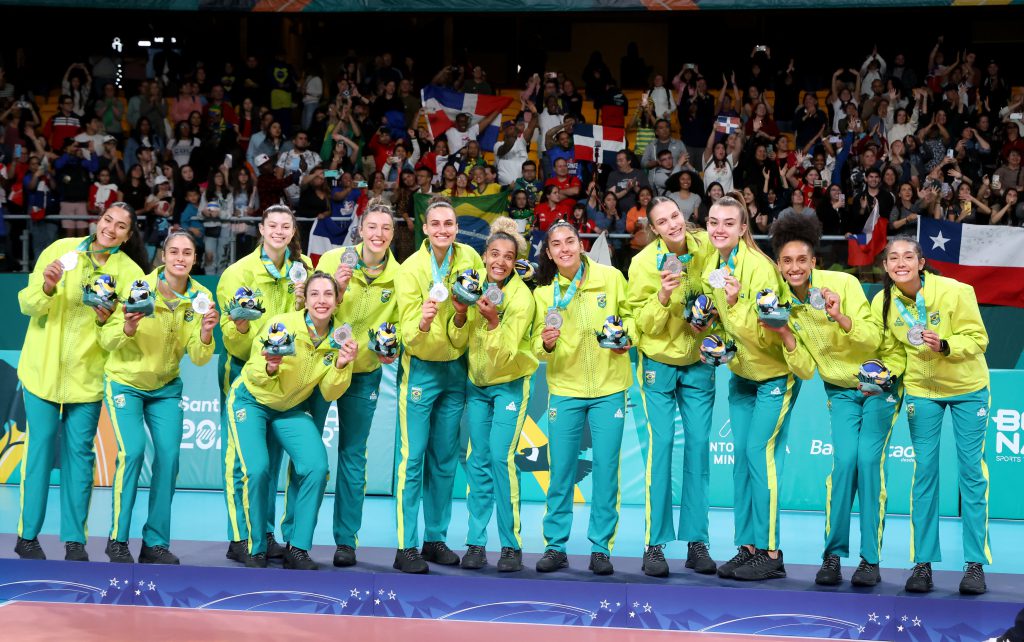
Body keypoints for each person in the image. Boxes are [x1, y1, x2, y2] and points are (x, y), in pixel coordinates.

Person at [767, 215, 903, 588]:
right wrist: (784, 335)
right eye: (787, 261)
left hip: (878, 382)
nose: (795, 267)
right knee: (844, 464)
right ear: (779, 266)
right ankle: (832, 556)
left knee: (868, 462)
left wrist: (840, 316)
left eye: (801, 260)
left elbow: (873, 339)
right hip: (839, 390)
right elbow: (807, 370)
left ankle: (870, 560)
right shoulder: (782, 305)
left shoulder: (843, 283)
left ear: (814, 262)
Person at [14, 203, 148, 561]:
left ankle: (75, 540)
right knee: (39, 451)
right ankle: (27, 536)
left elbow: (118, 337)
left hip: (86, 380)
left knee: (80, 460)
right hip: (41, 373)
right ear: (97, 221)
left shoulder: (130, 273)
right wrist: (46, 285)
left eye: (121, 226)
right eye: (107, 220)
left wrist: (108, 322)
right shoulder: (60, 250)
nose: (111, 229)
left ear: (128, 235)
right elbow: (27, 304)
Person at [872, 237, 991, 595]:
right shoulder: (884, 302)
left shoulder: (956, 291)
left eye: (908, 256)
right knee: (924, 473)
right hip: (922, 392)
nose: (900, 263)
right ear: (886, 266)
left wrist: (947, 345)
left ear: (921, 262)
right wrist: (884, 375)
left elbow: (979, 338)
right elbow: (892, 352)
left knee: (971, 473)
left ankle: (974, 565)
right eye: (893, 258)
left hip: (968, 388)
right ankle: (922, 563)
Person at [702, 193, 806, 581]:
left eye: (729, 223)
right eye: (714, 222)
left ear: (744, 228)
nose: (719, 229)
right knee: (742, 463)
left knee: (759, 457)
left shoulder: (760, 270)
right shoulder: (716, 265)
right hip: (741, 376)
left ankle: (771, 552)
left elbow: (769, 335)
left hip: (775, 376)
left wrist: (731, 305)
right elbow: (726, 327)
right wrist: (712, 337)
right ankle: (747, 547)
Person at [99, 232, 218, 564]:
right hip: (125, 382)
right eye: (174, 251)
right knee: (134, 451)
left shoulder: (202, 297)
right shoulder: (138, 288)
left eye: (188, 253)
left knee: (168, 459)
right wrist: (126, 327)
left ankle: (154, 543)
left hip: (166, 388)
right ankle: (117, 539)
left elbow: (198, 357)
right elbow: (106, 340)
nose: (180, 258)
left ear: (196, 259)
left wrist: (206, 332)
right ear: (162, 255)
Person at [227, 271, 358, 569]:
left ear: (338, 301)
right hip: (252, 399)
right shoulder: (284, 324)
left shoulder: (341, 339)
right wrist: (270, 369)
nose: (321, 301)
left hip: (290, 408)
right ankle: (256, 545)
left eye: (328, 294)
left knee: (316, 467)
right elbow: (253, 370)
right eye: (315, 294)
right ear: (306, 299)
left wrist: (340, 364)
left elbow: (328, 390)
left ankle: (297, 547)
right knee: (258, 470)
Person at [296, 203, 401, 568]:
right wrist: (336, 288)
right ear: (360, 229)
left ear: (392, 233)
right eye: (372, 226)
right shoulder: (333, 260)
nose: (378, 234)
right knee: (308, 453)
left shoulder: (399, 276)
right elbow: (307, 307)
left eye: (385, 228)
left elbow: (399, 326)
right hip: (323, 366)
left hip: (365, 373)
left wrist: (392, 347)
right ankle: (296, 538)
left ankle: (345, 541)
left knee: (353, 456)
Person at [530, 221, 633, 576]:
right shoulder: (544, 295)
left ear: (580, 243)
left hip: (609, 389)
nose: (564, 248)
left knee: (606, 470)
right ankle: (555, 546)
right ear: (548, 252)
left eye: (569, 241)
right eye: (556, 244)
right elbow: (533, 348)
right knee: (560, 471)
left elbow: (632, 318)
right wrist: (545, 344)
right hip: (565, 390)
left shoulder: (611, 278)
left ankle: (601, 548)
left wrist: (627, 336)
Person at [216, 205, 314, 564]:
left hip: (284, 378)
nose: (278, 231)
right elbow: (230, 339)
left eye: (285, 226)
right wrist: (243, 329)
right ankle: (239, 537)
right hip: (243, 370)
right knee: (241, 461)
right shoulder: (238, 272)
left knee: (270, 461)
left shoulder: (303, 272)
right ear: (261, 228)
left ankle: (264, 532)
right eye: (272, 225)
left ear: (292, 231)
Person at [625, 197, 718, 577]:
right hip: (659, 362)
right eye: (662, 221)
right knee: (660, 449)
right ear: (655, 229)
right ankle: (655, 544)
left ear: (685, 217)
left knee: (697, 448)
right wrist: (663, 295)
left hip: (698, 361)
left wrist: (709, 318)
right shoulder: (643, 262)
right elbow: (642, 322)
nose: (672, 224)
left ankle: (697, 542)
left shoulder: (708, 248)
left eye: (675, 216)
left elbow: (722, 296)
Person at [393, 197, 484, 573]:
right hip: (420, 371)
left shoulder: (470, 260)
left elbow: (477, 308)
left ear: (456, 227)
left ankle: (435, 539)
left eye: (449, 223)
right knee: (413, 460)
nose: (443, 230)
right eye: (436, 224)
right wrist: (425, 322)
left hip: (455, 370)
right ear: (425, 228)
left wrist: (462, 315)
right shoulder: (411, 269)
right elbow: (405, 332)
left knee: (445, 461)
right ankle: (405, 547)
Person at [458, 217, 538, 573]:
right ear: (484, 255)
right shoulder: (472, 285)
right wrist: (460, 313)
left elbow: (505, 352)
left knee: (501, 459)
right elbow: (458, 333)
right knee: (477, 460)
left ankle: (511, 545)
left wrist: (492, 322)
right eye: (494, 254)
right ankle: (475, 542)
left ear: (516, 260)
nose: (500, 262)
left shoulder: (521, 297)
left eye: (508, 256)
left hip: (509, 383)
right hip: (477, 385)